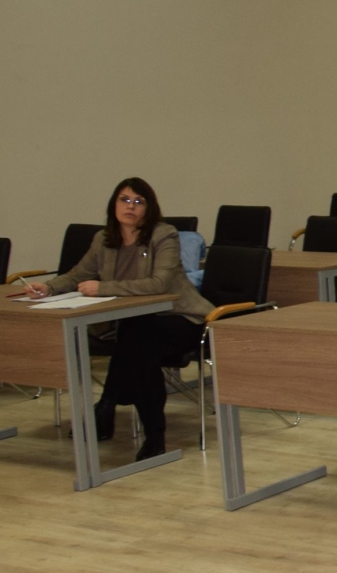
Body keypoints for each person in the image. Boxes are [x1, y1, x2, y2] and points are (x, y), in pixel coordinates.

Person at [24, 178, 213, 460]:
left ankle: (109, 406)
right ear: (114, 204)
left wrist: (103, 288)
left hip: (180, 318)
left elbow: (159, 283)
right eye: (124, 200)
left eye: (138, 202)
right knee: (139, 346)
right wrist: (48, 287)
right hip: (131, 324)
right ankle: (150, 434)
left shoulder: (164, 235)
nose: (130, 207)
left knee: (138, 338)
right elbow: (78, 275)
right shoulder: (103, 239)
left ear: (149, 208)